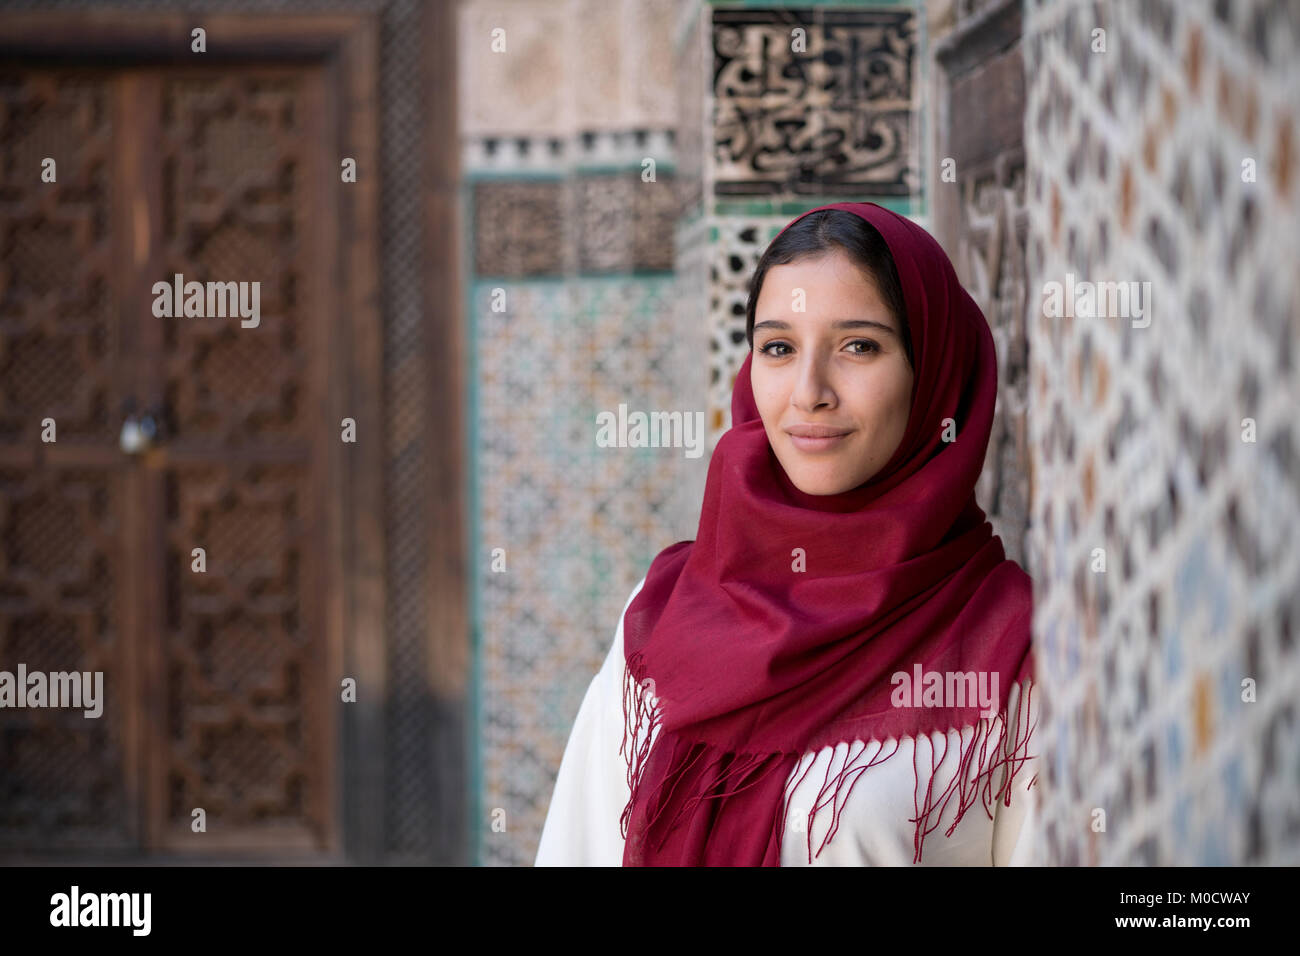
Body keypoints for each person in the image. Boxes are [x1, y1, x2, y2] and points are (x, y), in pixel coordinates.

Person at [536, 201, 1039, 867]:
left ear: (936, 374)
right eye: (778, 347)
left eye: (859, 346)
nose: (809, 392)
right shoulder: (661, 616)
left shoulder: (1012, 648)